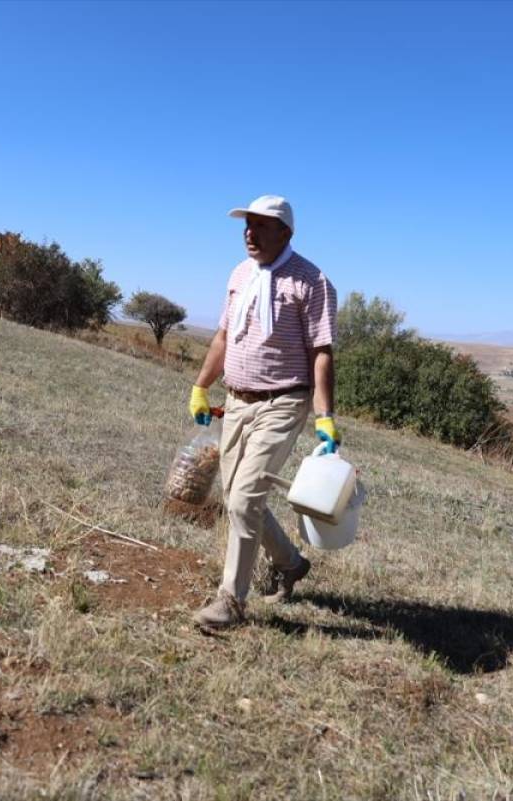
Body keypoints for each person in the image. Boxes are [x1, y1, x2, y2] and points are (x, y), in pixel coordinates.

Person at [189, 195, 339, 629]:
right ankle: (290, 564)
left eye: (260, 226)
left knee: (244, 497)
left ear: (285, 233)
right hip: (236, 400)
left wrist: (325, 416)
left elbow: (322, 353)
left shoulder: (312, 281)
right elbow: (222, 338)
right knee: (237, 496)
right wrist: (201, 386)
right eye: (246, 225)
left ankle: (230, 602)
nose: (249, 233)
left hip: (283, 401)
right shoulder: (239, 274)